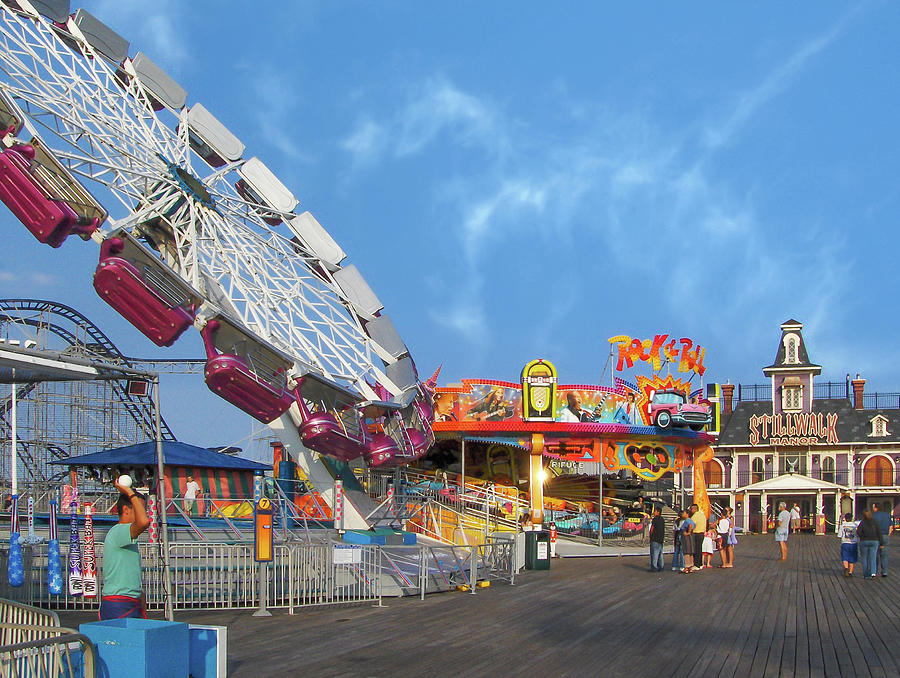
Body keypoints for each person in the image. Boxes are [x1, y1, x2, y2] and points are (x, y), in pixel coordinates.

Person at [99, 479, 150, 620]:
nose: (144, 512)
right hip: (118, 603)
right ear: (126, 509)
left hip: (130, 601)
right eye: (140, 508)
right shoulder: (119, 531)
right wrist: (129, 492)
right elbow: (144, 522)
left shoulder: (125, 533)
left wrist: (140, 598)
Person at [857, 510, 882, 579]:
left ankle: (866, 574)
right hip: (874, 541)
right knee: (873, 557)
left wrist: (862, 536)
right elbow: (879, 532)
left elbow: (858, 532)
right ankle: (873, 573)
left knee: (864, 558)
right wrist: (881, 543)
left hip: (864, 541)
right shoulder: (875, 522)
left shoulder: (862, 522)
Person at [871, 503, 893, 577]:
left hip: (875, 536)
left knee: (875, 554)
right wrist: (888, 534)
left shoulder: (873, 516)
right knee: (884, 555)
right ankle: (884, 572)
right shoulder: (887, 515)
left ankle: (874, 571)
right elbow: (891, 526)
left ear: (875, 508)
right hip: (885, 535)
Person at [839, 512, 860, 578]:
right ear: (852, 518)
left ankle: (846, 568)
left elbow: (840, 535)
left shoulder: (843, 525)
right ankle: (850, 572)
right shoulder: (855, 525)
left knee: (845, 557)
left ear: (845, 518)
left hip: (845, 542)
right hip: (853, 543)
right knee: (852, 557)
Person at [690, 504, 706, 572]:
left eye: (691, 509)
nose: (691, 510)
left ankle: (696, 565)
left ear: (694, 509)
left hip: (696, 533)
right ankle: (700, 563)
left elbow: (691, 525)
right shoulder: (702, 515)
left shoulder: (694, 516)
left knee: (696, 549)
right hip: (702, 533)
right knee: (699, 549)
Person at [648, 506, 665, 572]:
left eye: (655, 511)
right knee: (660, 554)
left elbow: (652, 528)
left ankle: (654, 567)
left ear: (658, 512)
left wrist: (650, 535)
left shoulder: (655, 519)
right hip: (660, 538)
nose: (654, 512)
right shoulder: (662, 519)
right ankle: (661, 566)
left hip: (654, 538)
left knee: (654, 553)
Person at [679, 509, 695, 574]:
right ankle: (690, 566)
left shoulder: (687, 521)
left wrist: (688, 532)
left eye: (684, 513)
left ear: (687, 514)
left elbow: (690, 525)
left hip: (686, 537)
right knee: (690, 551)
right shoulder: (691, 520)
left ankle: (686, 567)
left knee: (686, 552)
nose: (683, 514)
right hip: (691, 537)